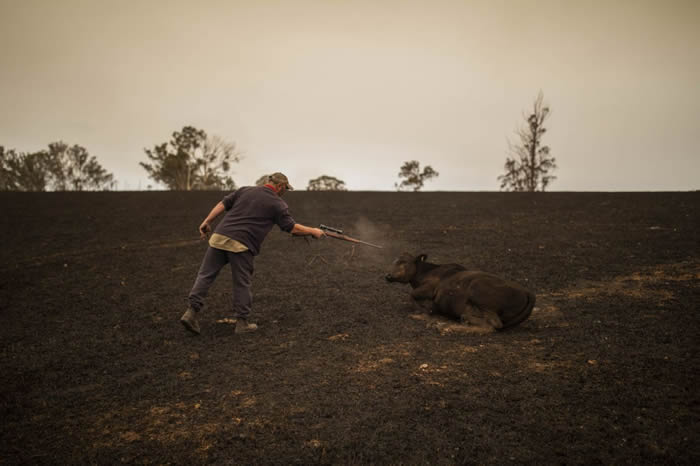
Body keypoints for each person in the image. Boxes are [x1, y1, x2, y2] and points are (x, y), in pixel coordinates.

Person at [180, 172, 324, 335]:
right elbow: (291, 227)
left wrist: (207, 221)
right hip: (242, 244)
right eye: (285, 189)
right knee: (242, 282)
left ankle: (191, 312)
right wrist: (313, 231)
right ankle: (242, 323)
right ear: (280, 186)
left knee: (205, 275)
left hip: (219, 237)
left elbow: (223, 204)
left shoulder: (245, 190)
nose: (285, 192)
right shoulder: (278, 203)